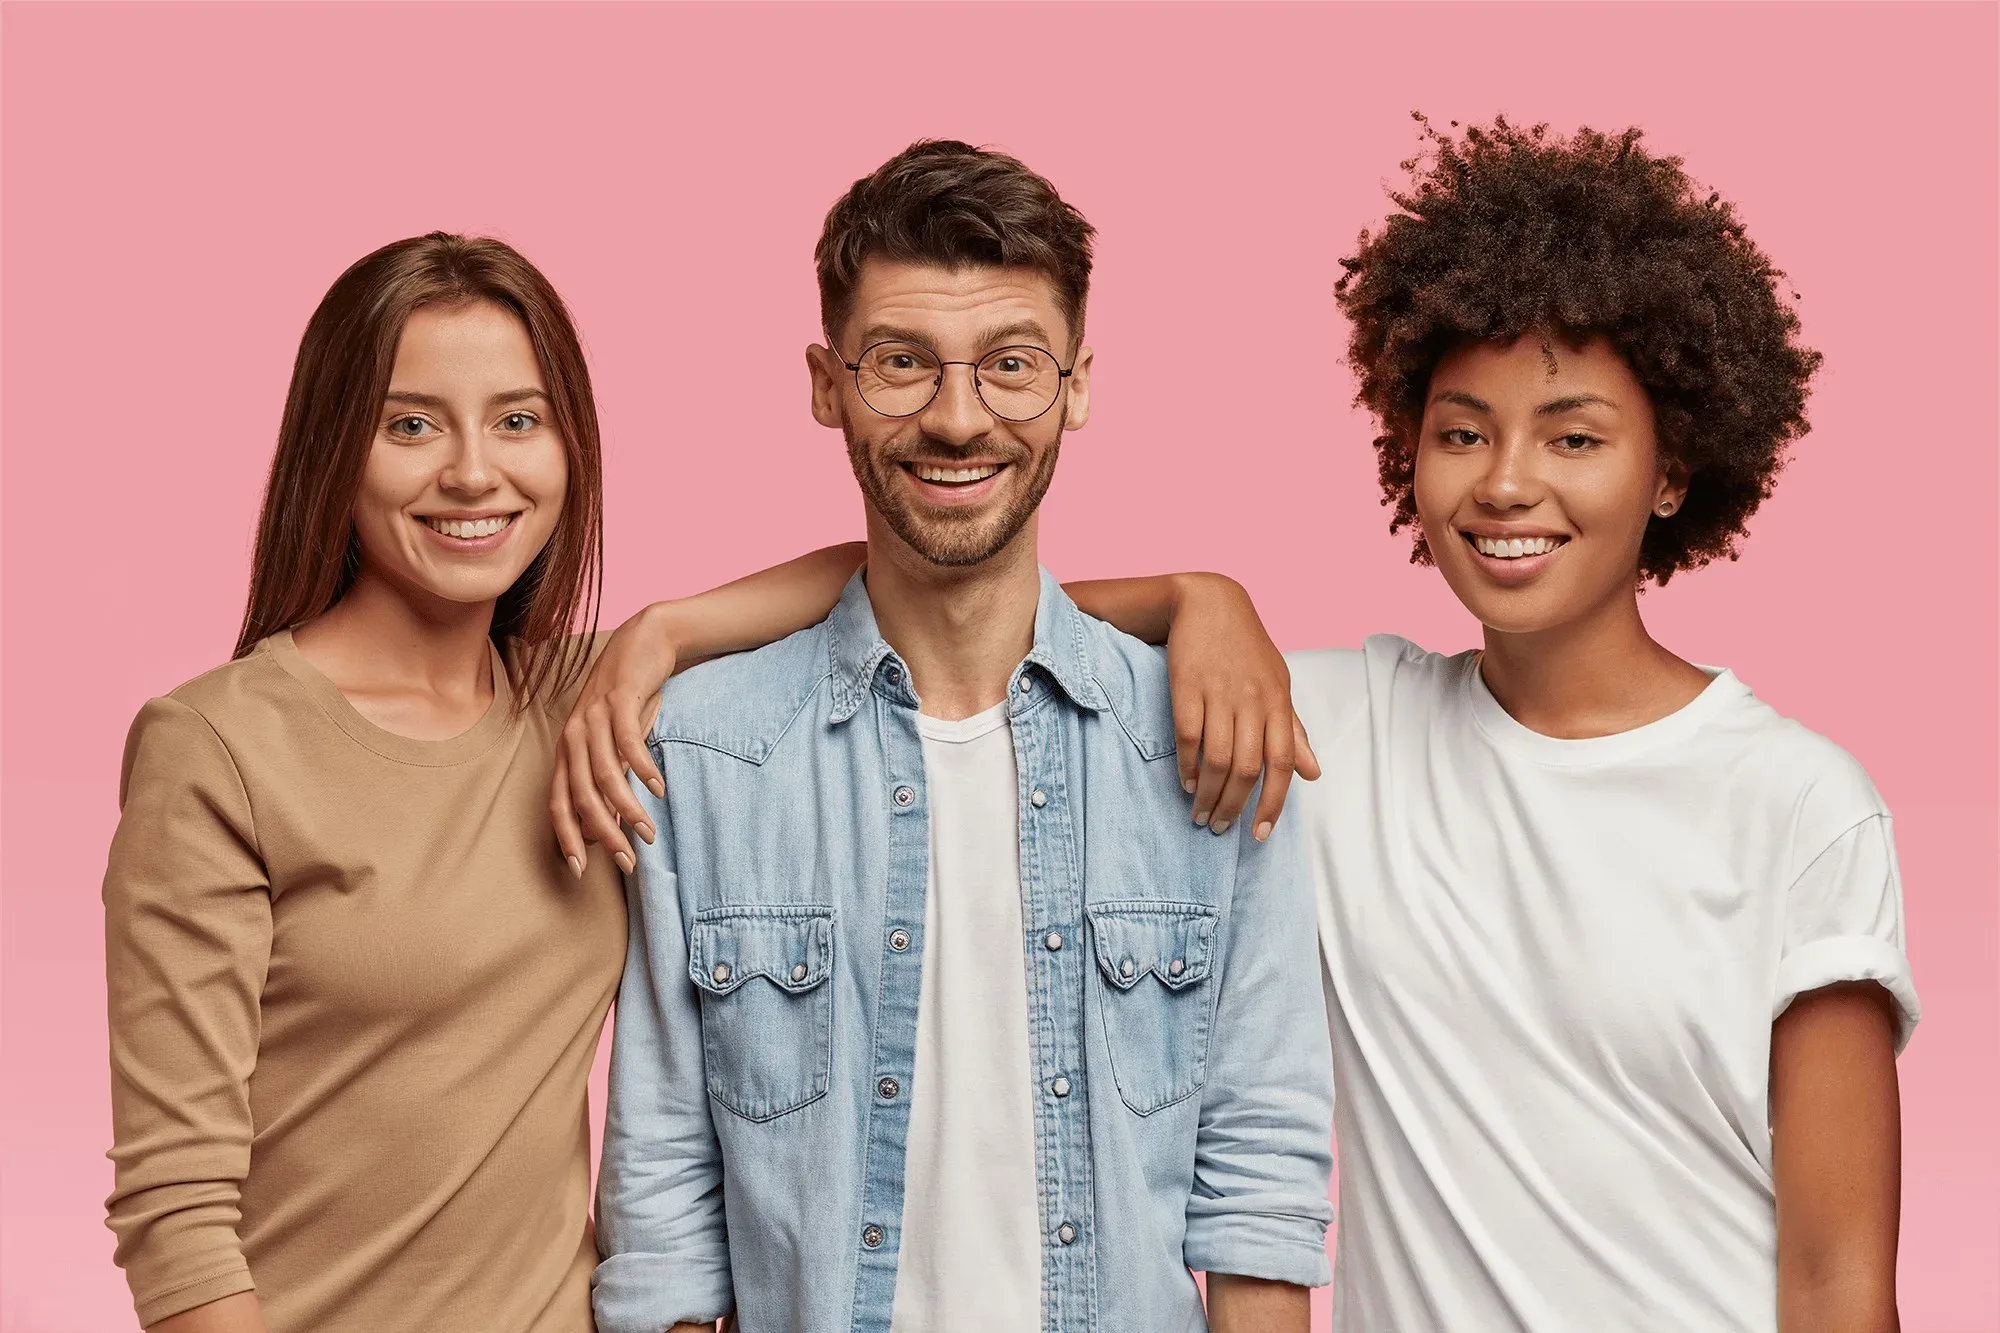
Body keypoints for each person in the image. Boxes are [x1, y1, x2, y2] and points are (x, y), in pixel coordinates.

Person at [561, 119, 1919, 1332]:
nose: (1508, 484)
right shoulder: (1319, 720)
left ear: (1674, 465)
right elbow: (962, 585)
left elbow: (1839, 1284)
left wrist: (1202, 600)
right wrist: (674, 631)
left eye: (1574, 438)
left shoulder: (1792, 803)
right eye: (1462, 433)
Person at [588, 141, 1333, 1333]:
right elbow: (666, 1202)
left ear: (1076, 386)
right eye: (900, 362)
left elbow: (1257, 1176)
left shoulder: (1208, 736)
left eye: (1010, 365)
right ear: (826, 383)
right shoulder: (704, 755)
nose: (955, 417)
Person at [100, 234, 628, 1333]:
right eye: (411, 425)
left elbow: (875, 590)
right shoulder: (219, 746)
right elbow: (177, 1214)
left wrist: (665, 630)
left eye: (518, 420)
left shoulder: (579, 703)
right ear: (334, 448)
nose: (473, 472)